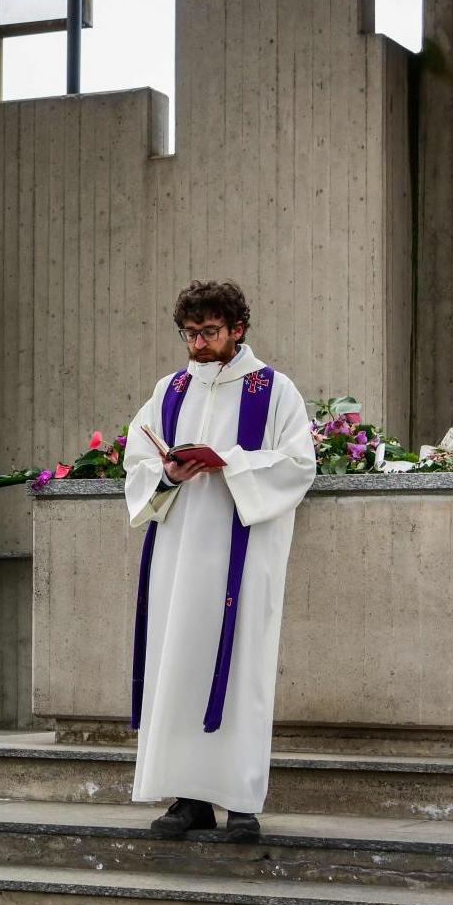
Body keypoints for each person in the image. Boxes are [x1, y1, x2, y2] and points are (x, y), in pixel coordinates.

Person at [123, 281, 316, 843]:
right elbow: (139, 458)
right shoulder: (170, 389)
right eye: (190, 332)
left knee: (240, 671)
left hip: (242, 555)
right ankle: (189, 800)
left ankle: (241, 802)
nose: (199, 342)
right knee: (178, 665)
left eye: (210, 331)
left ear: (238, 329)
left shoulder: (274, 390)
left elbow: (298, 464)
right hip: (179, 555)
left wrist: (228, 462)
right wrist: (167, 473)